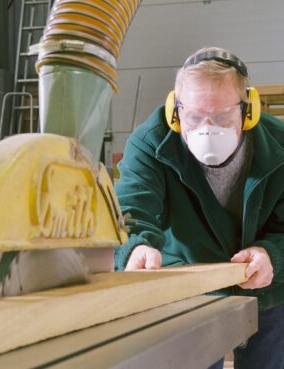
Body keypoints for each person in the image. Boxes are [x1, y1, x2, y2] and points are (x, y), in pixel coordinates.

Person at [114, 47, 284, 369]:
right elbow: (129, 209)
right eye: (193, 117)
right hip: (190, 289)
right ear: (174, 112)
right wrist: (135, 248)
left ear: (249, 110)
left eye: (221, 117)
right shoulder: (151, 143)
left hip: (270, 289)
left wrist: (273, 255)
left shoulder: (280, 149)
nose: (207, 129)